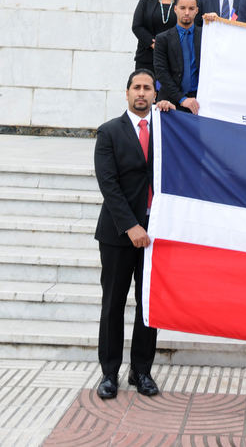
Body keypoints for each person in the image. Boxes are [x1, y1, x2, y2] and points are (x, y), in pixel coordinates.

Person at [94, 69, 176, 400]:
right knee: (113, 303)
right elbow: (108, 184)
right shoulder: (109, 132)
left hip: (155, 234)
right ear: (127, 93)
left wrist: (176, 114)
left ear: (155, 94)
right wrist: (131, 226)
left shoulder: (167, 130)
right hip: (117, 234)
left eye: (147, 88)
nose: (141, 93)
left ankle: (141, 370)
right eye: (136, 88)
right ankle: (109, 373)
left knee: (148, 305)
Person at [153, 0, 201, 113]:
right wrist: (182, 99)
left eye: (191, 8)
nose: (186, 12)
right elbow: (161, 72)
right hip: (170, 102)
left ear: (197, 10)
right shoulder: (162, 38)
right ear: (175, 9)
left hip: (199, 103)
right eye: (182, 8)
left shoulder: (206, 36)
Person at [131, 0, 181, 72]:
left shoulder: (183, 1)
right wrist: (153, 43)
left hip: (174, 58)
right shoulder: (146, 0)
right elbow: (137, 26)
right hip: (147, 57)